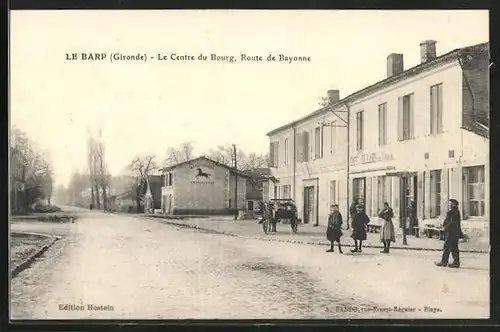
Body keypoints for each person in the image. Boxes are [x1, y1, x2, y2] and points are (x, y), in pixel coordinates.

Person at [435, 199, 463, 268]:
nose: (450, 205)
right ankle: (456, 263)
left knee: (447, 246)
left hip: (451, 232)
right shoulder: (456, 212)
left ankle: (444, 262)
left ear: (454, 204)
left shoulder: (452, 212)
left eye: (451, 204)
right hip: (454, 232)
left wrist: (445, 227)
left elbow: (452, 222)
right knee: (454, 247)